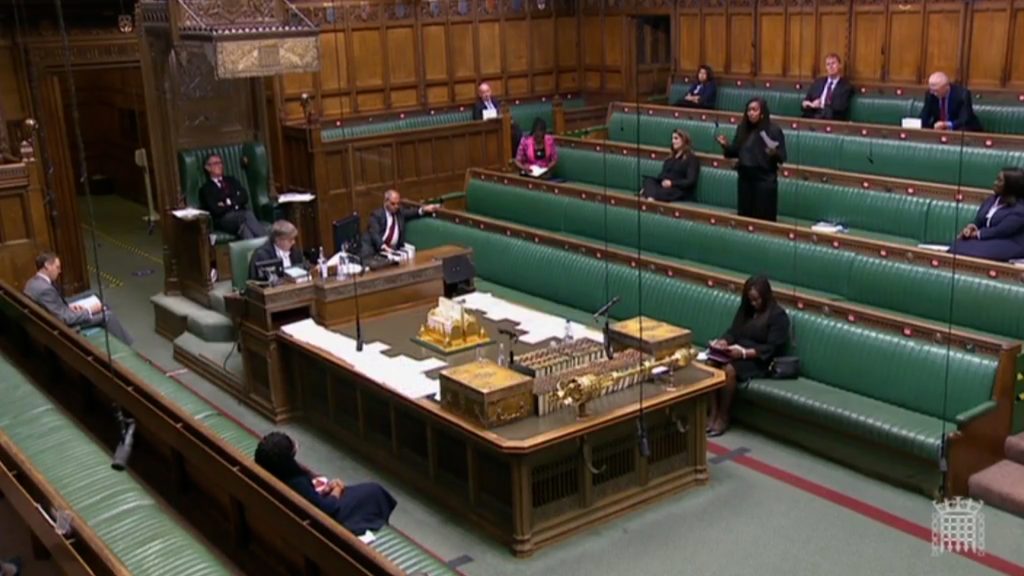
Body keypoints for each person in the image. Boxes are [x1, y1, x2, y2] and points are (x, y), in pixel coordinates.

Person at [255, 432, 396, 535]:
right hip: (321, 523)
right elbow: (328, 509)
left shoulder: (271, 472)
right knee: (373, 491)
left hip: (299, 513)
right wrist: (337, 489)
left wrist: (323, 492)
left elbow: (309, 498)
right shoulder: (296, 482)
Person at [706, 276, 790, 437]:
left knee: (728, 370)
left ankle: (724, 416)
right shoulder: (746, 310)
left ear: (765, 297)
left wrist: (744, 353)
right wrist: (723, 342)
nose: (753, 304)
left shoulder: (777, 316)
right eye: (750, 300)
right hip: (737, 352)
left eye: (756, 300)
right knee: (711, 363)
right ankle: (713, 411)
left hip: (759, 360)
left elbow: (772, 348)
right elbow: (734, 331)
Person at [23, 252, 133, 345]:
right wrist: (89, 311)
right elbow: (64, 319)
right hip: (64, 326)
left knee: (94, 295)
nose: (59, 271)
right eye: (57, 267)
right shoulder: (45, 290)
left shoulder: (31, 283)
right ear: (47, 265)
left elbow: (53, 306)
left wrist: (68, 306)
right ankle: (129, 348)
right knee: (107, 315)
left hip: (58, 314)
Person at [716, 98, 787, 221]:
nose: (751, 113)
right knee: (744, 219)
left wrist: (773, 153)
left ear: (762, 112)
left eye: (754, 110)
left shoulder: (773, 130)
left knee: (762, 222)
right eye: (748, 110)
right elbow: (735, 151)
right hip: (745, 180)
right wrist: (725, 145)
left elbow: (782, 157)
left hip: (764, 181)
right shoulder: (742, 129)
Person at [950, 168, 1024, 261]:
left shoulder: (1020, 210)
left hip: (1010, 242)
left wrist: (977, 234)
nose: (995, 182)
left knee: (967, 251)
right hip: (989, 238)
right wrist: (971, 227)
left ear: (1011, 186)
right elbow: (979, 220)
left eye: (999, 181)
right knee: (959, 246)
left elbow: (1001, 231)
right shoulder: (991, 200)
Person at [199, 154, 265, 239]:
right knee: (247, 214)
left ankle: (256, 251)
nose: (219, 166)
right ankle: (269, 245)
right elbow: (215, 210)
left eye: (220, 163)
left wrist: (227, 203)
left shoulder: (231, 180)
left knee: (244, 228)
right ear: (207, 168)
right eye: (215, 163)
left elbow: (244, 197)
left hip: (239, 217)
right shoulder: (206, 189)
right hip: (223, 219)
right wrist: (235, 202)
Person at [366, 189, 440, 255]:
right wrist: (383, 246)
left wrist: (424, 209)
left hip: (395, 249)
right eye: (393, 204)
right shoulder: (376, 215)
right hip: (377, 249)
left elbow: (413, 212)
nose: (396, 206)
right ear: (385, 202)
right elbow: (374, 234)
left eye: (398, 204)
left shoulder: (400, 212)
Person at [641, 129, 700, 202]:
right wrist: (661, 181)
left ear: (684, 140)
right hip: (664, 187)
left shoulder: (691, 159)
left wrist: (672, 183)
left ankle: (649, 195)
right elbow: (662, 175)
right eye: (672, 139)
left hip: (679, 189)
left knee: (662, 192)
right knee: (648, 180)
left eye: (676, 138)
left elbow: (690, 181)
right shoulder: (670, 158)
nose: (673, 141)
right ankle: (650, 196)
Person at [472, 82, 522, 157]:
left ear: (490, 92)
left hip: (500, 125)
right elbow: (477, 121)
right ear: (480, 94)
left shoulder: (495, 101)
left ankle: (515, 156)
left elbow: (501, 112)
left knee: (516, 129)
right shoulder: (477, 106)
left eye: (487, 91)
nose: (486, 94)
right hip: (488, 129)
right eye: (483, 92)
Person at [801, 53, 853, 121]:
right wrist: (811, 104)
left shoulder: (846, 86)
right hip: (813, 116)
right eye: (828, 64)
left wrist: (821, 105)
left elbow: (840, 107)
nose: (831, 67)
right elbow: (805, 102)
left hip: (832, 119)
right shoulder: (817, 83)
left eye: (833, 63)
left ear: (840, 65)